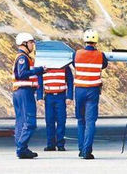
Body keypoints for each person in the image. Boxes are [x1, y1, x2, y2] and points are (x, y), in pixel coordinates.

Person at [73, 29, 108, 160]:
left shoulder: (77, 54)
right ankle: (87, 150)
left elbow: (74, 64)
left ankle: (81, 149)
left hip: (79, 90)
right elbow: (104, 65)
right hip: (93, 90)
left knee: (81, 120)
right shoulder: (100, 55)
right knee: (90, 121)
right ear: (96, 41)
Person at [12, 32, 46, 159]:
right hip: (24, 92)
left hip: (21, 92)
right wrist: (39, 70)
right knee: (30, 121)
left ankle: (22, 148)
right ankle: (21, 146)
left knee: (21, 121)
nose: (33, 45)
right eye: (31, 42)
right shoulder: (23, 58)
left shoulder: (25, 57)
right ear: (24, 43)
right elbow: (22, 74)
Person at [37, 62, 74, 151]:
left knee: (61, 120)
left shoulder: (64, 65)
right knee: (49, 120)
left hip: (61, 96)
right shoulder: (43, 66)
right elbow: (39, 82)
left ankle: (60, 144)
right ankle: (51, 144)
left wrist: (69, 96)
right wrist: (39, 97)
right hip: (49, 96)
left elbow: (70, 81)